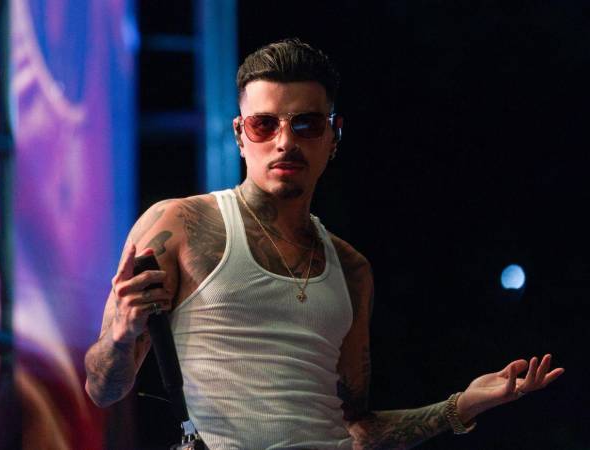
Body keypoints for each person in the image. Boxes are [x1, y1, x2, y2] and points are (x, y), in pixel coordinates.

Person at [84, 38, 564, 449]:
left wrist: (461, 406)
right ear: (239, 135)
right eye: (263, 124)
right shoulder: (180, 225)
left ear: (334, 135)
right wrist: (121, 335)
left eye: (306, 124)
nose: (284, 141)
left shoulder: (352, 269)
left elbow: (358, 429)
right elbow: (102, 389)